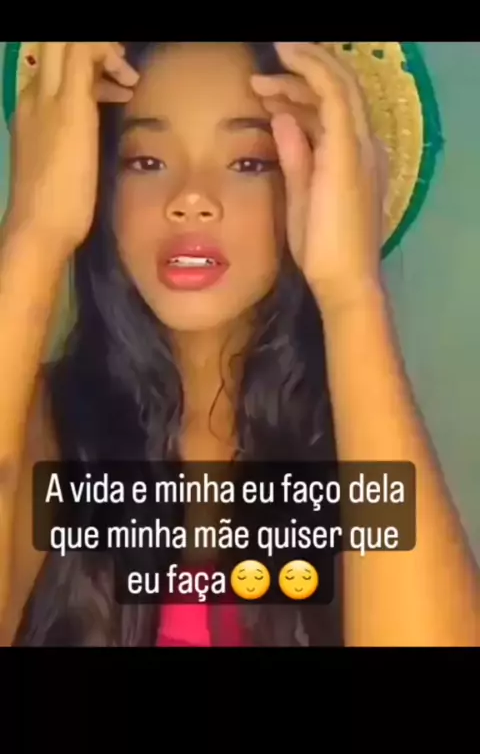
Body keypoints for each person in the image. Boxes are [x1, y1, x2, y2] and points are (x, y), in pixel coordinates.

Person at [0, 41, 478, 647]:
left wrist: (351, 291)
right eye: (145, 161)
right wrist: (34, 233)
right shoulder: (42, 422)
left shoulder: (363, 439)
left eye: (250, 162)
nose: (191, 198)